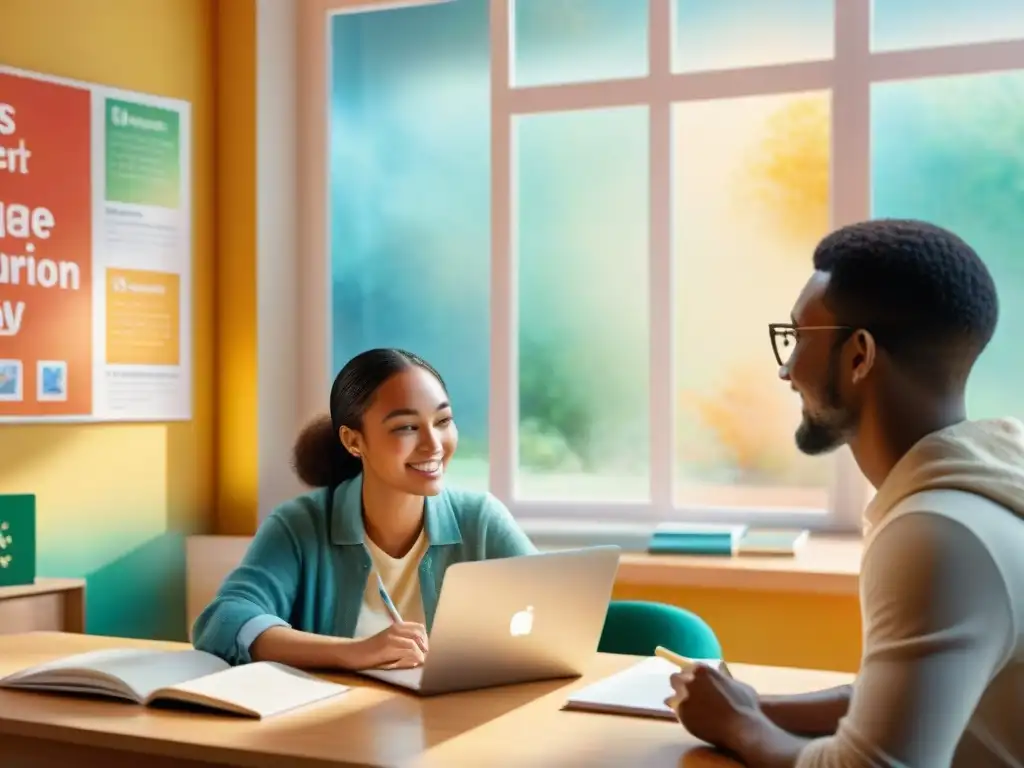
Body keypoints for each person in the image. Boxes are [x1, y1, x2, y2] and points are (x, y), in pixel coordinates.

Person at [666, 219, 1024, 767]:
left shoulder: (938, 532)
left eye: (797, 339)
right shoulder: (985, 493)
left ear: (859, 356)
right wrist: (756, 706)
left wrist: (739, 725)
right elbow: (910, 703)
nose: (786, 371)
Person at [192, 348, 537, 671]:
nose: (433, 444)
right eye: (406, 427)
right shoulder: (300, 525)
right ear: (353, 441)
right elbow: (224, 620)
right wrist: (356, 652)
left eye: (443, 421)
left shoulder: (480, 519)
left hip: (455, 727)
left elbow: (558, 610)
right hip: (331, 729)